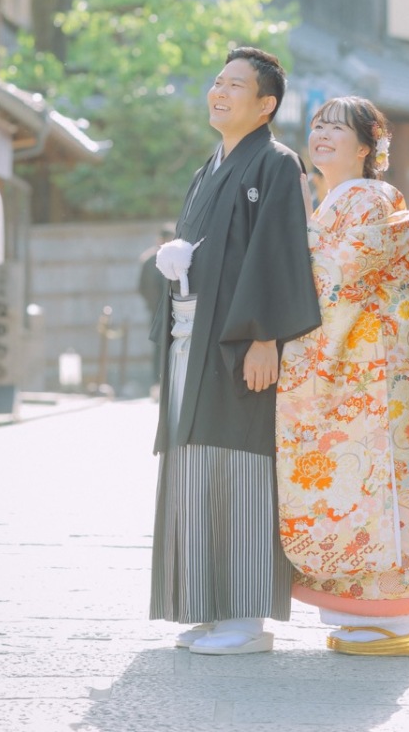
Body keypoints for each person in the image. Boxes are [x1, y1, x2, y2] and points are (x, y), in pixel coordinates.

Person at [149, 46, 321, 656]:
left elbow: (279, 252)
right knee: (196, 462)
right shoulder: (209, 168)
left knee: (242, 464)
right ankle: (210, 605)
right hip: (193, 340)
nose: (218, 92)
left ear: (266, 104)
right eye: (216, 82)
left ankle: (247, 618)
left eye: (234, 85)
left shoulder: (275, 164)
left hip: (240, 342)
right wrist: (170, 263)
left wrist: (266, 336)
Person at [276, 96, 409, 657]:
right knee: (354, 486)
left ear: (367, 147)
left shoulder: (367, 199)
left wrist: (287, 237)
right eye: (317, 126)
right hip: (355, 371)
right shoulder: (334, 202)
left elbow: (340, 273)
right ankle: (364, 616)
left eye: (337, 128)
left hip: (368, 374)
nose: (321, 135)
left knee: (376, 487)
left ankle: (387, 617)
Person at [137, 222, 175, 385]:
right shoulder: (150, 260)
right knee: (159, 347)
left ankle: (169, 381)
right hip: (157, 311)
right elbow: (144, 288)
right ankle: (157, 382)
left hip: (174, 311)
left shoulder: (178, 257)